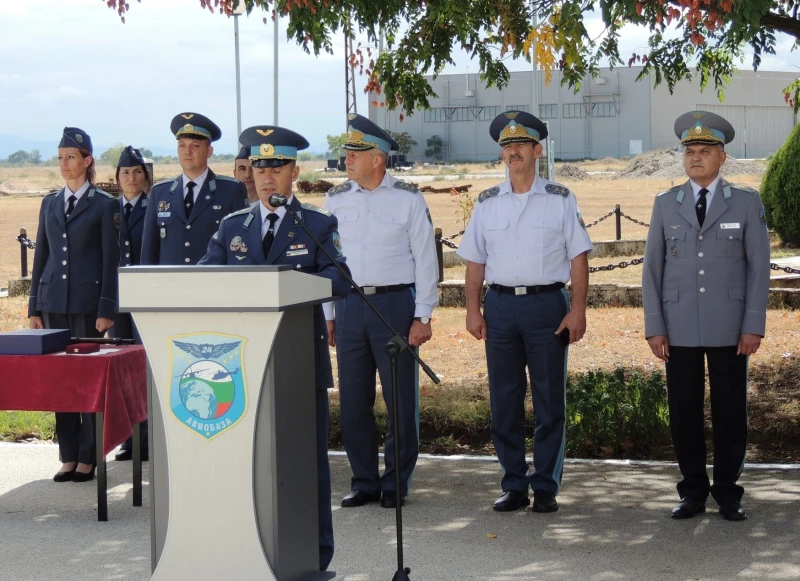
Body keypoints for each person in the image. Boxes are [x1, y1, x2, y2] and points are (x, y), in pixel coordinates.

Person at [198, 125, 350, 571]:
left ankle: (315, 557)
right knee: (245, 464)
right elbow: (206, 281)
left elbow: (339, 279)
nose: (267, 176)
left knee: (308, 465)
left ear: (294, 173)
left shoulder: (317, 224)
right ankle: (246, 549)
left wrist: (287, 286)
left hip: (299, 364)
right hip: (239, 367)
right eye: (260, 167)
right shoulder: (232, 227)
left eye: (277, 167)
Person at [457, 111, 592, 513]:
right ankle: (514, 484)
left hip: (547, 306)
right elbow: (474, 262)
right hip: (499, 307)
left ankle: (546, 486)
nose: (512, 151)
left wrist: (579, 309)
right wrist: (472, 309)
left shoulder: (561, 199)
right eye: (506, 145)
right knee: (504, 400)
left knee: (550, 400)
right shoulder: (487, 203)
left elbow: (578, 258)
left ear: (537, 150)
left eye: (520, 144)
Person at [642, 111, 770, 522]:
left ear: (723, 157)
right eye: (690, 151)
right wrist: (654, 326)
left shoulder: (746, 202)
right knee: (684, 412)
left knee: (731, 411)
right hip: (678, 326)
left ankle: (729, 492)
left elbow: (758, 268)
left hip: (729, 326)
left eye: (705, 151)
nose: (696, 158)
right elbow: (652, 269)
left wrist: (753, 324)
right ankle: (693, 491)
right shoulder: (665, 204)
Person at [323, 113, 439, 509]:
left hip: (395, 306)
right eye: (348, 151)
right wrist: (329, 314)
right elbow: (328, 261)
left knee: (399, 401)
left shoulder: (408, 198)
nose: (348, 158)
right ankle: (364, 481)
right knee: (354, 401)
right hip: (350, 305)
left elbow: (426, 260)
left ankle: (396, 482)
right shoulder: (335, 199)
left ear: (379, 159)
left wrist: (423, 316)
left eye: (357, 152)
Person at [28, 127, 120, 483]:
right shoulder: (49, 202)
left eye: (70, 157)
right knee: (60, 381)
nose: (64, 163)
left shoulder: (105, 205)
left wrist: (106, 308)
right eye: (60, 157)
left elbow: (112, 260)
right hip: (53, 302)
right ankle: (67, 456)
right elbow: (42, 257)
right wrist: (34, 306)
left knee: (87, 382)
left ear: (87, 161)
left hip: (86, 304)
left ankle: (88, 456)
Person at [140, 112, 248, 266]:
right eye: (182, 145)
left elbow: (240, 248)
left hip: (213, 284)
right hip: (170, 286)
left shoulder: (231, 190)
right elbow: (149, 252)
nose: (187, 151)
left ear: (209, 151)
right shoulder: (160, 193)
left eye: (195, 145)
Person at [110, 145, 150, 461]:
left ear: (145, 176)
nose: (131, 177)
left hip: (145, 297)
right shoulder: (109, 210)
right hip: (116, 298)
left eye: (137, 171)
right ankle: (129, 437)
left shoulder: (153, 208)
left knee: (144, 366)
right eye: (125, 172)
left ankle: (148, 438)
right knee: (122, 365)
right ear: (117, 178)